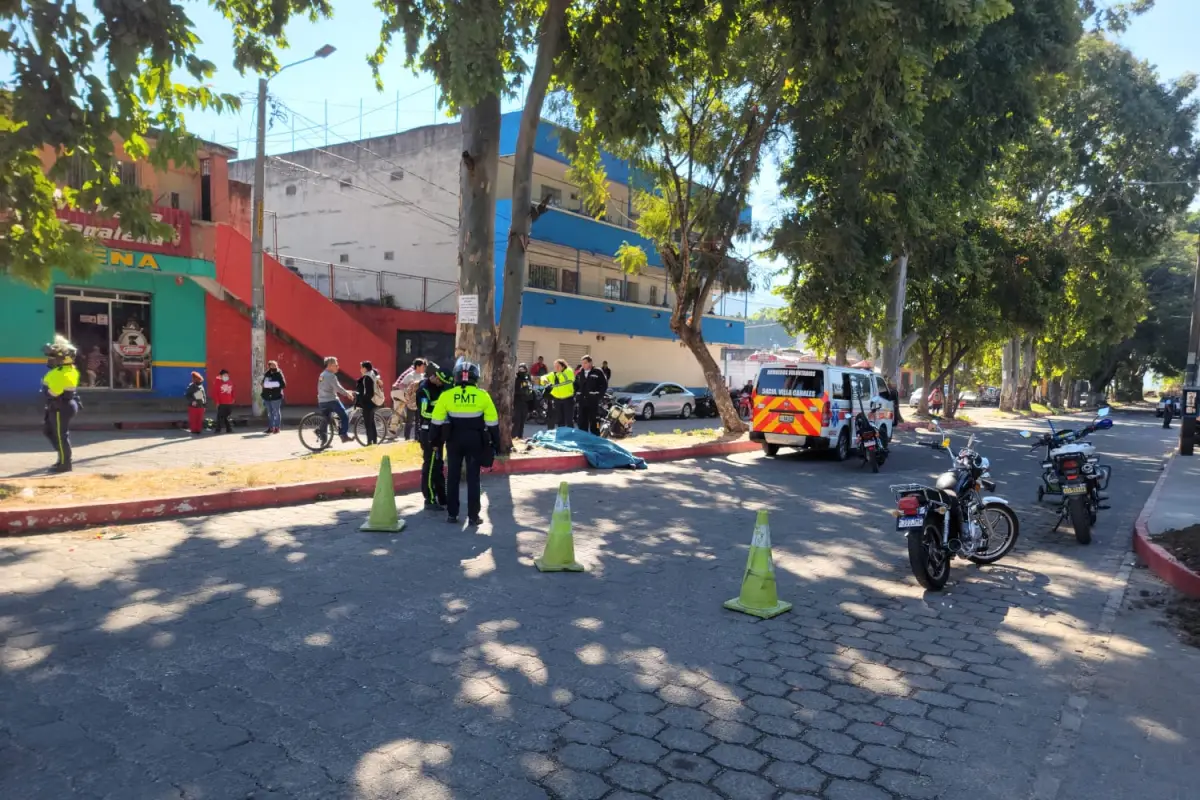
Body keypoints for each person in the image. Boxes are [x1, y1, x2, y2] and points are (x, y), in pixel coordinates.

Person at [431, 360, 501, 525]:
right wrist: (496, 444)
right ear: (475, 378)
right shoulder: (483, 395)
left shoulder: (446, 395)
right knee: (473, 478)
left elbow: (436, 422)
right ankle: (473, 516)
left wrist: (434, 442)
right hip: (475, 441)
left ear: (456, 377)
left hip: (453, 441)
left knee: (453, 477)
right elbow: (493, 423)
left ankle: (452, 514)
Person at [42, 336, 81, 472]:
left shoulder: (64, 373)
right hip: (58, 405)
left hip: (61, 406)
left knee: (60, 435)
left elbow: (53, 393)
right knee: (48, 431)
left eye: (54, 357)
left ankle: (65, 464)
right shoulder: (63, 370)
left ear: (64, 359)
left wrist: (46, 390)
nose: (51, 359)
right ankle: (62, 458)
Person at [416, 363, 452, 510]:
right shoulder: (423, 390)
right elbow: (424, 413)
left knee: (438, 465)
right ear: (436, 377)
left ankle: (442, 497)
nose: (442, 385)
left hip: (439, 432)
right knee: (430, 466)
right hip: (428, 432)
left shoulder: (442, 388)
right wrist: (441, 416)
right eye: (441, 382)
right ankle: (429, 499)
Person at [318, 356, 355, 442]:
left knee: (326, 420)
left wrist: (346, 391)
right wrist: (347, 394)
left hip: (322, 401)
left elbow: (322, 387)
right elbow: (338, 388)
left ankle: (323, 441)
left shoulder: (322, 375)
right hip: (331, 401)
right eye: (336, 365)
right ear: (330, 365)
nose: (338, 367)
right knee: (345, 416)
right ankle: (343, 435)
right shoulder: (331, 376)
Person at [392, 358, 425, 440]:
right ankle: (406, 438)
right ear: (417, 366)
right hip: (411, 402)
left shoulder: (422, 375)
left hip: (419, 401)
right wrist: (408, 388)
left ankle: (417, 438)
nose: (423, 368)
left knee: (418, 421)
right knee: (409, 421)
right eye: (422, 366)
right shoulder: (410, 375)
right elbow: (401, 385)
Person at [575, 355, 608, 435]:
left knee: (595, 421)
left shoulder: (598, 371)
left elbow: (604, 385)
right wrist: (576, 394)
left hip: (593, 401)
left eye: (585, 363)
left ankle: (596, 437)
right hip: (582, 401)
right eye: (582, 363)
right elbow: (575, 385)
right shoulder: (580, 372)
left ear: (590, 363)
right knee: (582, 421)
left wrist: (598, 396)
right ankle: (583, 437)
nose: (583, 365)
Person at [542, 358, 576, 430]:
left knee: (569, 419)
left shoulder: (568, 371)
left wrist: (554, 382)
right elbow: (543, 377)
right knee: (560, 420)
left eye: (558, 366)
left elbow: (569, 379)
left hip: (568, 399)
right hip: (557, 399)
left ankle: (571, 436)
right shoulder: (553, 374)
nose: (556, 368)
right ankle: (561, 435)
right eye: (555, 366)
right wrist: (545, 380)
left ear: (563, 366)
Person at [355, 361, 383, 445]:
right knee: (371, 422)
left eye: (361, 367)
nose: (360, 369)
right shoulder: (373, 374)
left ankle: (369, 442)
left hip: (368, 403)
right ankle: (374, 441)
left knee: (368, 424)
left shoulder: (367, 377)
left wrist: (362, 401)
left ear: (365, 368)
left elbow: (368, 393)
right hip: (374, 402)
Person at [261, 360, 287, 434]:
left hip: (276, 396)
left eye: (275, 365)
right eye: (272, 366)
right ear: (269, 366)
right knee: (269, 413)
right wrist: (263, 384)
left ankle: (277, 428)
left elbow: (283, 384)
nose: (274, 367)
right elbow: (263, 383)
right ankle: (271, 427)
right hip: (267, 396)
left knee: (276, 412)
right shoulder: (267, 374)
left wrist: (274, 385)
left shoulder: (279, 374)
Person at [513, 362, 535, 440]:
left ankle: (519, 437)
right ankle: (514, 437)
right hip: (517, 402)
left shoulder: (528, 378)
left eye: (523, 369)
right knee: (516, 421)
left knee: (522, 422)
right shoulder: (516, 378)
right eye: (520, 369)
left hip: (525, 403)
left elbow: (530, 391)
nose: (521, 370)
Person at [214, 369, 235, 433]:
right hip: (221, 403)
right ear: (220, 376)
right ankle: (218, 429)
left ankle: (229, 429)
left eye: (227, 375)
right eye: (224, 375)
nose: (226, 376)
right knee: (220, 417)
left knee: (228, 417)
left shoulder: (230, 382)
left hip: (229, 403)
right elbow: (215, 393)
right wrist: (217, 402)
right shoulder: (217, 382)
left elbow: (233, 391)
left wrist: (233, 398)